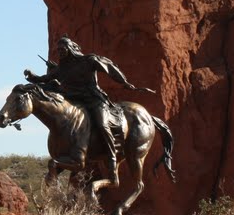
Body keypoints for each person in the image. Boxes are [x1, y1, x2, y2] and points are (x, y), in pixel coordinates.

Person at [24, 35, 154, 185]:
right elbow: (44, 79)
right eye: (58, 50)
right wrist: (32, 76)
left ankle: (112, 159)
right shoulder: (62, 68)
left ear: (70, 49)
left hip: (94, 100)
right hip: (74, 101)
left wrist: (124, 82)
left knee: (103, 124)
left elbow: (110, 68)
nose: (59, 52)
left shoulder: (88, 61)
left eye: (62, 49)